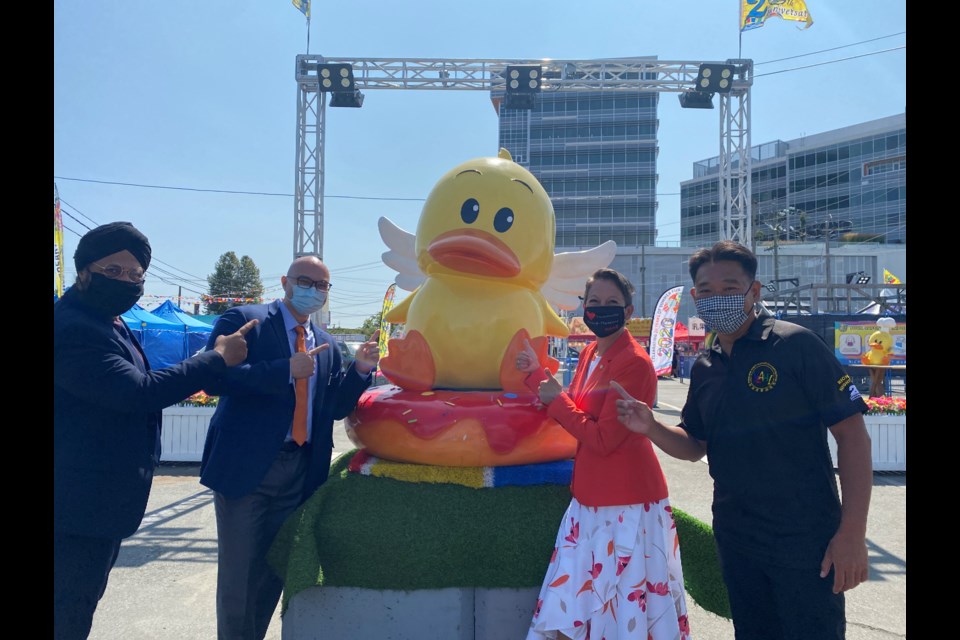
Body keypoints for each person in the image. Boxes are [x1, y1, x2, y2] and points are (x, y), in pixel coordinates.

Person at [614, 241, 873, 640]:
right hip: (737, 537)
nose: (718, 299)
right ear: (695, 297)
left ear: (755, 291)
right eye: (707, 291)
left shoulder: (794, 345)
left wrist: (852, 533)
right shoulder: (705, 365)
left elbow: (852, 436)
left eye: (730, 288)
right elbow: (695, 443)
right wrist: (651, 427)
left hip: (805, 538)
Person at [54, 222, 255, 640]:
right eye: (114, 271)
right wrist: (215, 359)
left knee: (80, 606)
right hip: (72, 508)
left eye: (135, 276)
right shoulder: (73, 327)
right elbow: (136, 392)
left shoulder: (109, 320)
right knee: (66, 613)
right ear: (84, 271)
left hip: (95, 505)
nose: (126, 283)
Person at [199, 255, 380, 640]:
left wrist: (361, 371)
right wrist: (285, 369)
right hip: (248, 470)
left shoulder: (328, 346)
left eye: (322, 286)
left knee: (273, 568)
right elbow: (215, 379)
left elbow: (332, 409)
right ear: (284, 281)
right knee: (238, 573)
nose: (313, 291)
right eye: (305, 281)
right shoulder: (246, 321)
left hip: (299, 470)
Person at [516, 268, 691, 640]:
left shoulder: (635, 362)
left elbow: (600, 437)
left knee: (613, 610)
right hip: (590, 500)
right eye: (593, 302)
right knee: (575, 607)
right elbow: (576, 411)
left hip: (626, 505)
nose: (601, 309)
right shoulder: (591, 352)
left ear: (629, 312)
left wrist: (553, 399)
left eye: (612, 303)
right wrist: (535, 377)